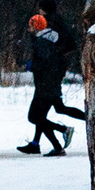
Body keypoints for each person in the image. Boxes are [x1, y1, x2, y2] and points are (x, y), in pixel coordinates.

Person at [19, 11, 87, 155]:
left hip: (45, 88)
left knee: (34, 117)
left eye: (31, 26)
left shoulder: (42, 43)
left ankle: (64, 130)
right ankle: (53, 146)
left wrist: (29, 65)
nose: (29, 29)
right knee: (44, 116)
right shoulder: (52, 40)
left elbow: (44, 64)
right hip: (51, 86)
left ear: (36, 27)